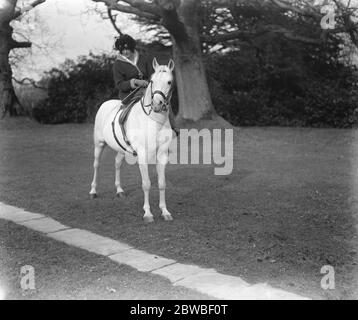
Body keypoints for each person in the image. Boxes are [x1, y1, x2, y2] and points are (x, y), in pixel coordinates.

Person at [113, 34, 178, 135]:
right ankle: (124, 132)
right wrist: (135, 82)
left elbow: (152, 74)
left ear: (131, 48)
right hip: (129, 94)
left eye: (127, 49)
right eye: (123, 50)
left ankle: (173, 127)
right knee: (126, 114)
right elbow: (119, 84)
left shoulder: (143, 58)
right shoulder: (118, 64)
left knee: (163, 100)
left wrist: (149, 82)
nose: (125, 52)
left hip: (147, 89)